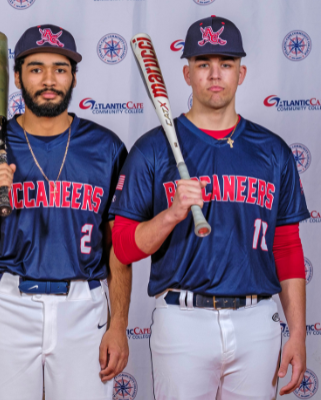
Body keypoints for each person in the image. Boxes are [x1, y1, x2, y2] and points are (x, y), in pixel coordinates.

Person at [111, 15, 308, 399]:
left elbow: (286, 246)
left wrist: (298, 332)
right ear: (187, 74)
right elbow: (122, 246)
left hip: (257, 323)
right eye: (203, 64)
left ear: (242, 72)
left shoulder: (273, 151)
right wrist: (170, 215)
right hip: (183, 321)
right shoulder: (153, 150)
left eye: (226, 64)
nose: (215, 75)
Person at [0, 24, 130, 400]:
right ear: (17, 77)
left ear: (73, 77)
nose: (49, 79)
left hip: (85, 304)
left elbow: (118, 244)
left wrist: (119, 322)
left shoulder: (106, 147)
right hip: (9, 302)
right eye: (36, 68)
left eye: (61, 68)